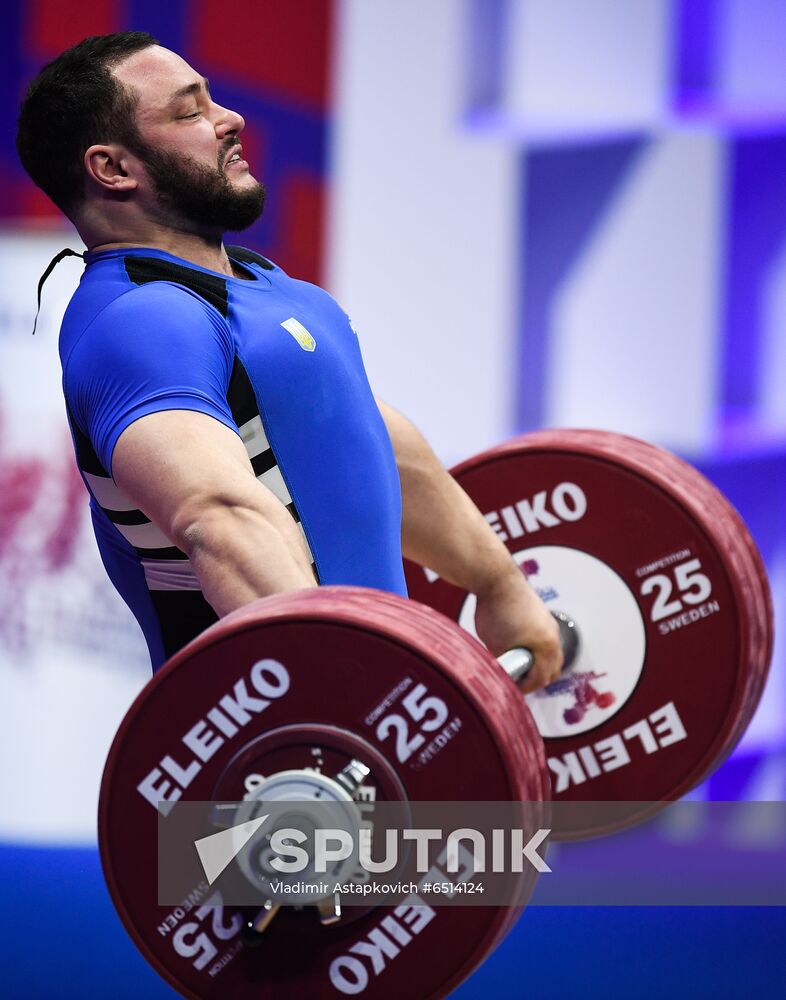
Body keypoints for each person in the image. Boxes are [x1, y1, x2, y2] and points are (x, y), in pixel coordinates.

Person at [16, 31, 561, 689]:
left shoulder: (259, 285)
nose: (230, 119)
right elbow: (220, 517)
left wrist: (498, 581)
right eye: (189, 112)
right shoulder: (139, 321)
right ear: (113, 169)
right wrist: (335, 690)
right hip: (275, 754)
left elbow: (362, 438)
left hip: (369, 713)